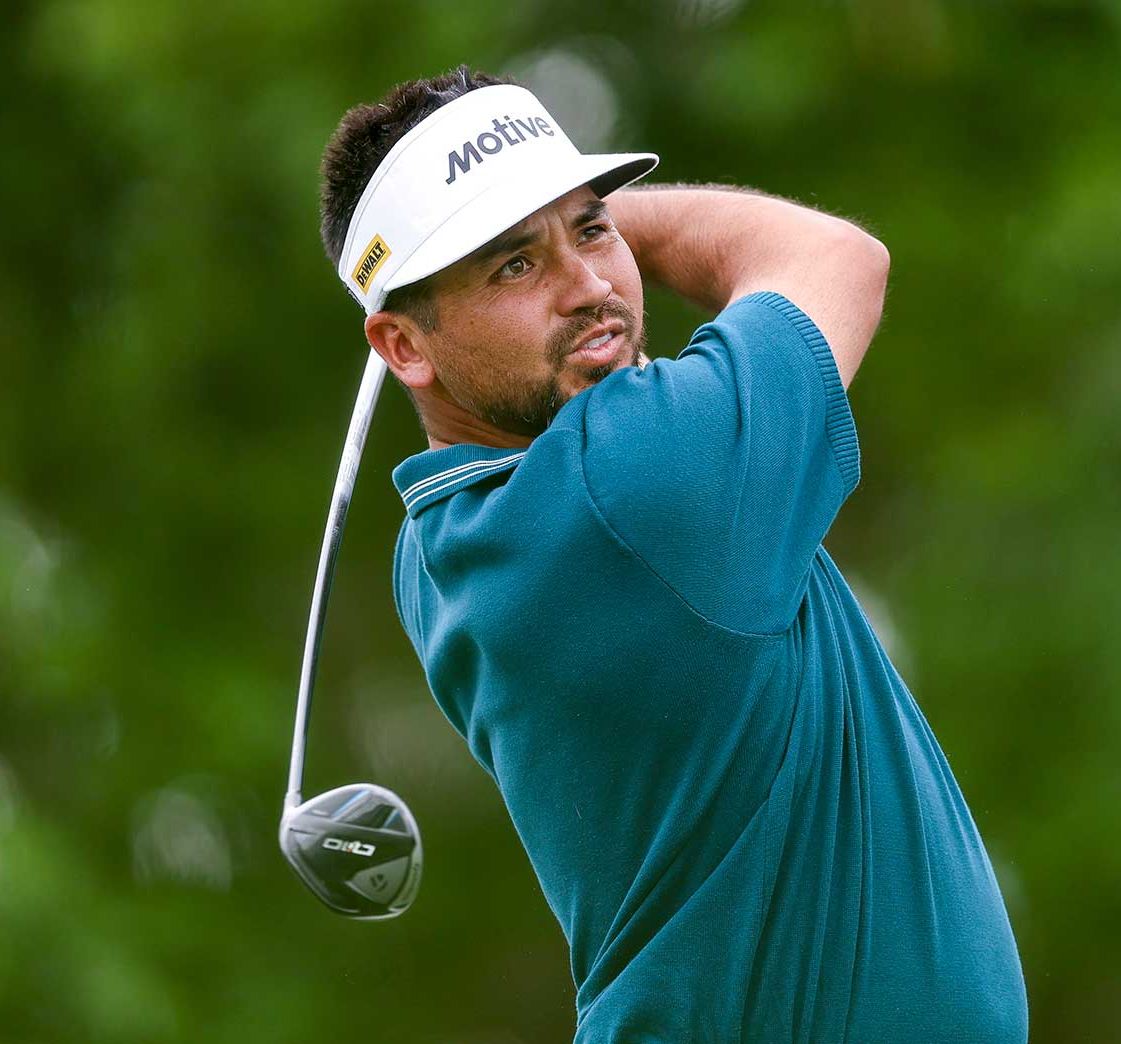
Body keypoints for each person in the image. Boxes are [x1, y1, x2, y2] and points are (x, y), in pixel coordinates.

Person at [317, 66, 1027, 1043]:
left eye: (590, 228)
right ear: (401, 346)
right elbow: (836, 257)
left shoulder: (437, 547)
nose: (589, 286)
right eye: (513, 266)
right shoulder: (638, 480)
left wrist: (551, 237)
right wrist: (621, 227)